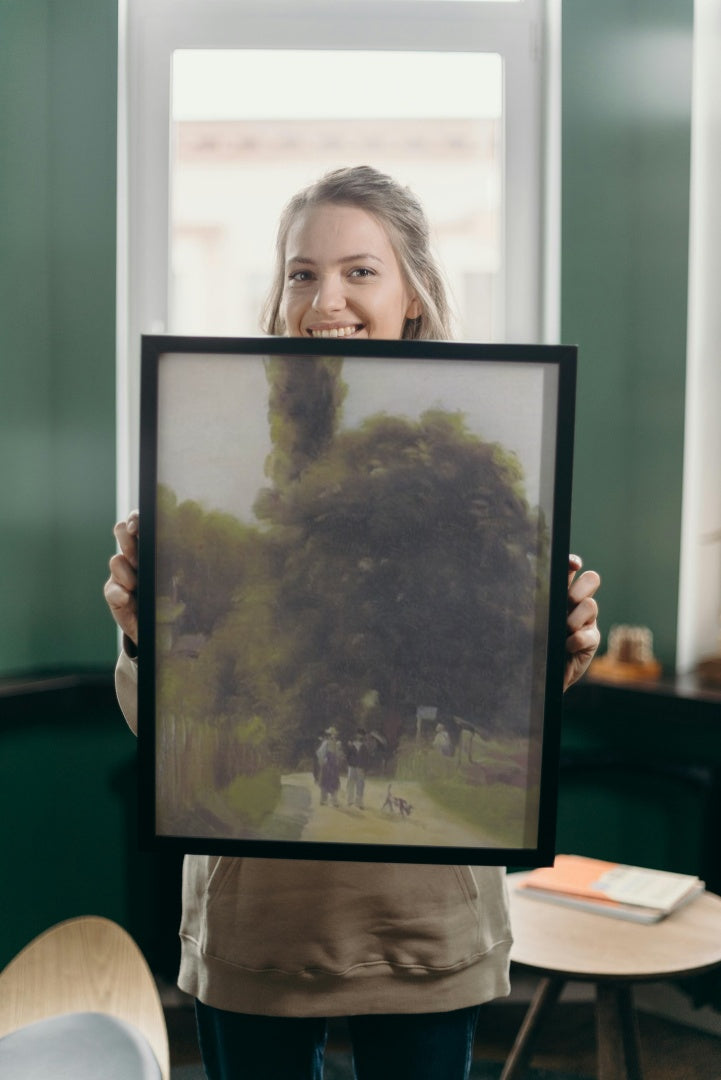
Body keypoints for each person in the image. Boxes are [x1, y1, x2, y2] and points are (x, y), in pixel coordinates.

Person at [105, 165, 601, 1080]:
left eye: (359, 271)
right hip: (256, 927)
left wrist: (552, 653)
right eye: (301, 272)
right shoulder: (204, 443)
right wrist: (144, 638)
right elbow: (167, 724)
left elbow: (494, 703)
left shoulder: (492, 443)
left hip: (424, 928)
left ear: (413, 291)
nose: (324, 297)